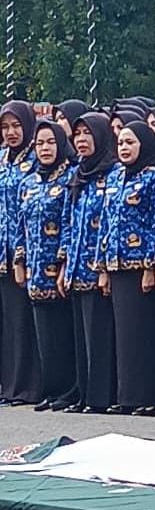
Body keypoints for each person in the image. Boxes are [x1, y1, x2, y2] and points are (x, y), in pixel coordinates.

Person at [96, 121, 155, 416]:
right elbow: (106, 221)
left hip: (142, 268)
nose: (125, 148)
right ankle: (128, 395)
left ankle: (151, 395)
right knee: (124, 335)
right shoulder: (114, 177)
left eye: (131, 142)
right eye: (121, 143)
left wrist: (152, 265)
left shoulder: (154, 177)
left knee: (145, 333)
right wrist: (102, 267)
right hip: (116, 265)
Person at [19, 120, 77, 412]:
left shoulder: (70, 177)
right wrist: (20, 260)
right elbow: (21, 224)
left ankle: (68, 389)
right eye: (40, 143)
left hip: (58, 268)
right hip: (34, 268)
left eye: (50, 142)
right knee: (44, 333)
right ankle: (51, 388)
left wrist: (65, 263)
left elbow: (70, 223)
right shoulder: (29, 181)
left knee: (62, 330)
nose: (44, 148)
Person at [63, 113, 118, 413]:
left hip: (99, 269)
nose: (82, 140)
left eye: (88, 134)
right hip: (76, 268)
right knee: (81, 335)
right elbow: (71, 224)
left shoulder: (111, 174)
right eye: (78, 134)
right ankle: (84, 395)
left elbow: (110, 225)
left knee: (99, 334)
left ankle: (100, 397)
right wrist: (66, 266)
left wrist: (103, 268)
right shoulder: (79, 175)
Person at [0, 100, 41, 407]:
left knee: (21, 320)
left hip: (22, 252)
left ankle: (25, 386)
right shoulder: (3, 159)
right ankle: (8, 385)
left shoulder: (36, 161)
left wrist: (21, 256)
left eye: (16, 126)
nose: (11, 133)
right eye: (5, 127)